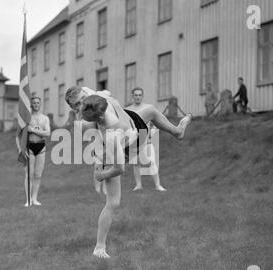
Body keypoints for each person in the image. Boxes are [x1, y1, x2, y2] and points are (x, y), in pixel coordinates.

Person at [65, 86, 192, 259]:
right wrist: (101, 175)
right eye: (77, 105)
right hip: (118, 148)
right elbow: (119, 168)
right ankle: (99, 248)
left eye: (83, 99)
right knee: (113, 202)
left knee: (151, 111)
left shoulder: (92, 96)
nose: (82, 103)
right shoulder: (96, 124)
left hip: (131, 125)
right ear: (75, 109)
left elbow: (100, 95)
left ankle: (178, 132)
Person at [126, 87, 167, 192]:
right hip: (134, 141)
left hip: (146, 140)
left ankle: (158, 185)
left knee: (152, 162)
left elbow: (156, 121)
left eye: (140, 95)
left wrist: (153, 131)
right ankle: (138, 185)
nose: (138, 97)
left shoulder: (148, 108)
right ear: (132, 96)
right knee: (136, 163)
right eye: (136, 95)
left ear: (142, 96)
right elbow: (126, 125)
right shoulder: (128, 110)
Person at [16, 94, 51, 207]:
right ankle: (28, 200)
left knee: (38, 175)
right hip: (29, 147)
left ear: (40, 104)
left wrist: (34, 131)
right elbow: (18, 135)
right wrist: (20, 149)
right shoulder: (26, 118)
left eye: (38, 103)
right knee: (28, 174)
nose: (36, 105)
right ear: (30, 104)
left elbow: (48, 133)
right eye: (34, 103)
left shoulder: (45, 118)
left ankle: (34, 198)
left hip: (41, 147)